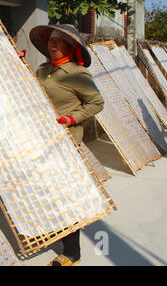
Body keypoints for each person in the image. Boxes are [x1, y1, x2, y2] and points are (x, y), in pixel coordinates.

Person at [28, 24, 104, 266]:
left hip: (65, 143)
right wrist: (19, 66)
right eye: (50, 40)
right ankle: (53, 230)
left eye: (58, 42)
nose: (52, 45)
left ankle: (72, 253)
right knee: (44, 191)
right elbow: (30, 91)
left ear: (71, 47)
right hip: (41, 139)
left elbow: (96, 103)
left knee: (66, 196)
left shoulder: (77, 74)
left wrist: (72, 119)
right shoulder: (43, 69)